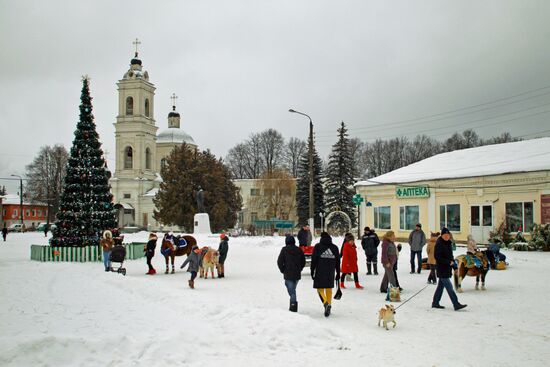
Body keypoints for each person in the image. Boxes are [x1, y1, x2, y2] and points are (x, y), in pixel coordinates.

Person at [432, 228, 467, 311]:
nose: (447, 237)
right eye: (445, 235)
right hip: (441, 269)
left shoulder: (448, 243)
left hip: (447, 268)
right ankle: (456, 304)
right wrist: (448, 262)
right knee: (449, 287)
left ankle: (435, 302)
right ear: (442, 235)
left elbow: (451, 257)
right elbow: (437, 257)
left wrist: (454, 267)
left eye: (448, 235)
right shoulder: (439, 243)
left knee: (440, 287)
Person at [311, 231, 340, 317]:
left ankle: (325, 303)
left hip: (320, 271)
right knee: (328, 288)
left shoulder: (318, 247)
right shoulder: (335, 248)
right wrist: (338, 272)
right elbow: (338, 261)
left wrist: (312, 270)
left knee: (320, 289)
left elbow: (314, 260)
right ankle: (329, 304)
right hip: (330, 271)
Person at [277, 235, 306, 312]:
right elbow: (303, 261)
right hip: (296, 274)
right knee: (292, 289)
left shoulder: (284, 250)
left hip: (288, 274)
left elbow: (279, 261)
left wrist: (283, 270)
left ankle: (293, 306)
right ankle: (292, 304)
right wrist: (300, 269)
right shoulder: (299, 250)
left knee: (292, 291)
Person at [380, 231, 398, 297]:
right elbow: (384, 254)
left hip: (391, 262)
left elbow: (393, 251)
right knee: (391, 277)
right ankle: (394, 294)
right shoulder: (385, 243)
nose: (394, 236)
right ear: (389, 236)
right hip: (387, 263)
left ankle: (383, 288)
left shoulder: (391, 242)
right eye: (393, 235)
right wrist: (386, 262)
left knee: (387, 276)